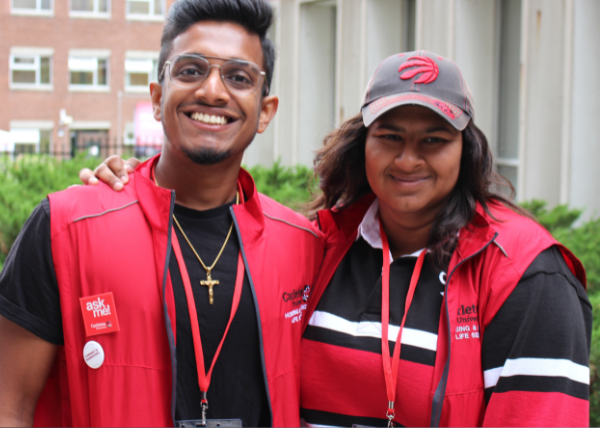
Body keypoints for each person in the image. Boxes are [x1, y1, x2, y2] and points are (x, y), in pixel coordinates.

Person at [84, 51, 592, 427]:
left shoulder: (525, 273)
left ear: (467, 151)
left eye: (433, 141)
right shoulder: (318, 247)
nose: (408, 159)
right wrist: (135, 184)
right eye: (390, 136)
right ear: (361, 143)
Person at [0, 0, 325, 427]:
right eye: (191, 70)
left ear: (265, 111)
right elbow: (10, 406)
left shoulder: (304, 245)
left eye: (239, 77)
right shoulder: (67, 227)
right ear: (156, 97)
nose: (213, 91)